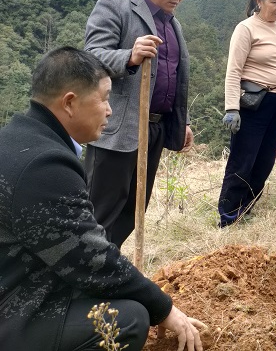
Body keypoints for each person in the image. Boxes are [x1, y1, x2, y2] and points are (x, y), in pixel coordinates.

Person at [0, 47, 204, 351]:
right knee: (129, 319)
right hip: (11, 312)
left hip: (13, 278)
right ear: (70, 103)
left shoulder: (18, 138)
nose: (109, 110)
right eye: (104, 98)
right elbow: (90, 260)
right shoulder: (46, 167)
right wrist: (164, 309)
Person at [84, 0, 193, 249]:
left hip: (154, 131)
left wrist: (182, 122)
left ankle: (106, 271)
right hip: (118, 129)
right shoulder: (115, 6)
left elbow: (173, 77)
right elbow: (91, 57)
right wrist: (129, 56)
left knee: (133, 213)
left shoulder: (173, 25)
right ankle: (79, 280)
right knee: (99, 212)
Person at [219, 0, 276, 227]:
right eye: (274, 1)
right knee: (243, 160)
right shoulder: (246, 29)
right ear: (259, 1)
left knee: (266, 161)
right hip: (253, 104)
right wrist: (232, 108)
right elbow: (233, 71)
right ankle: (228, 216)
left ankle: (245, 209)